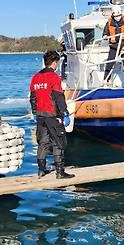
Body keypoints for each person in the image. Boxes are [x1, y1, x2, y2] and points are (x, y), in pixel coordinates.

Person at [29, 50, 74, 179]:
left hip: (40, 115)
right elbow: (59, 97)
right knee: (58, 142)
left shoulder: (35, 77)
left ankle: (41, 170)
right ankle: (60, 172)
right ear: (54, 63)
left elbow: (32, 98)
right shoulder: (54, 77)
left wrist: (34, 112)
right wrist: (64, 113)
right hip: (52, 115)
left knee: (43, 142)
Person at [102, 6, 124, 87]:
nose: (117, 17)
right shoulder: (109, 23)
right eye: (115, 16)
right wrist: (105, 36)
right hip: (114, 46)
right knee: (109, 63)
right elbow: (105, 32)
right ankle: (106, 80)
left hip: (123, 45)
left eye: (118, 15)